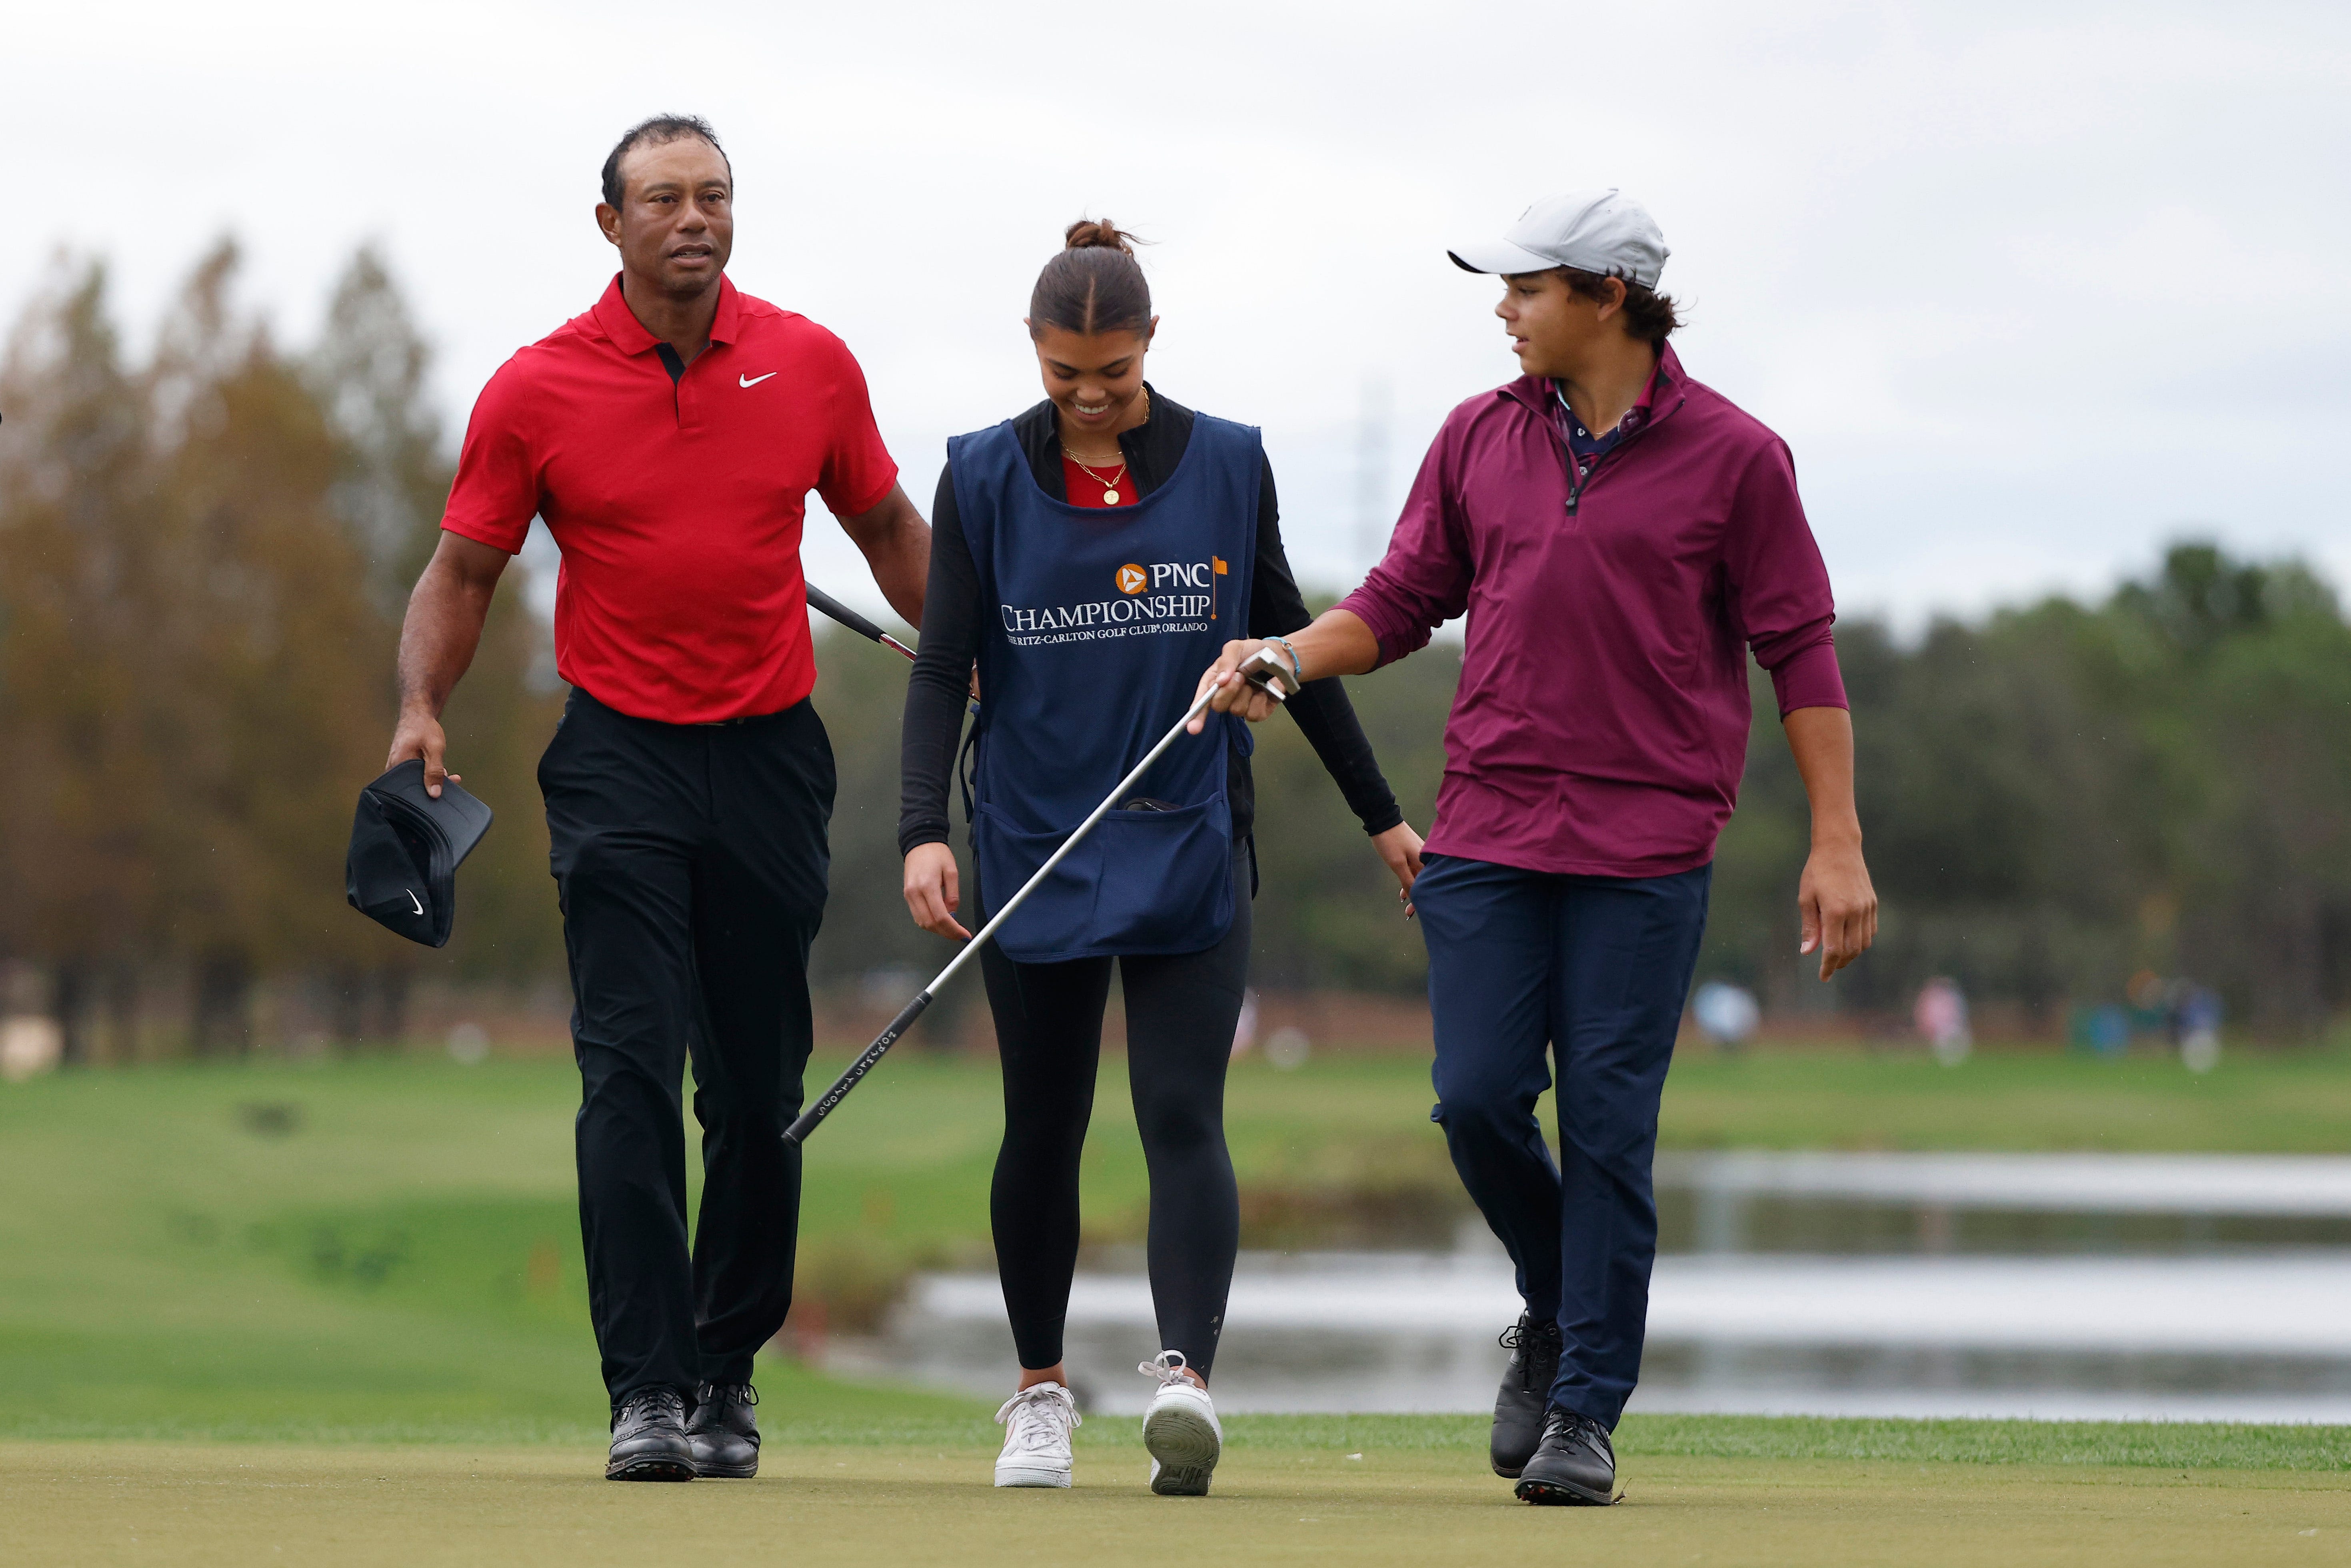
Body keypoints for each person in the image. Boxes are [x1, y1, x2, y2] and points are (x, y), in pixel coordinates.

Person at [1195, 190, 1878, 1505]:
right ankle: (1560, 1301)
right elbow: (1401, 600)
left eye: (1527, 288)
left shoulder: (1740, 459)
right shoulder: (1477, 435)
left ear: (1608, 295)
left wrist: (1837, 840)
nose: (1504, 311)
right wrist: (1285, 653)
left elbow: (1800, 650)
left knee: (1610, 1123)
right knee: (1476, 1095)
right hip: (1490, 828)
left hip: (1647, 846)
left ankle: (1584, 1410)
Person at [386, 114, 929, 1482]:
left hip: (769, 757)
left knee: (754, 1086)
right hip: (617, 758)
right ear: (610, 223)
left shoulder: (811, 363)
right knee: (625, 1071)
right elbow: (463, 572)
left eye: (715, 196)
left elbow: (886, 531)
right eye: (666, 199)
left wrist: (982, 655)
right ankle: (645, 1388)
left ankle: (724, 1371)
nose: (695, 218)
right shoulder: (536, 388)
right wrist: (420, 705)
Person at [898, 220, 1421, 1495]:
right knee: (1044, 1124)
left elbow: (1292, 649)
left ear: (1151, 346)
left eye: (1114, 375)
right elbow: (942, 666)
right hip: (1033, 843)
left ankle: (1186, 1384)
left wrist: (1384, 817)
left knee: (1183, 1112)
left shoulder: (1230, 465)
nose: (1089, 397)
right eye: (1065, 374)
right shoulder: (979, 476)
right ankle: (1039, 1396)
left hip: (1188, 834)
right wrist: (921, 829)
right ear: (1033, 351)